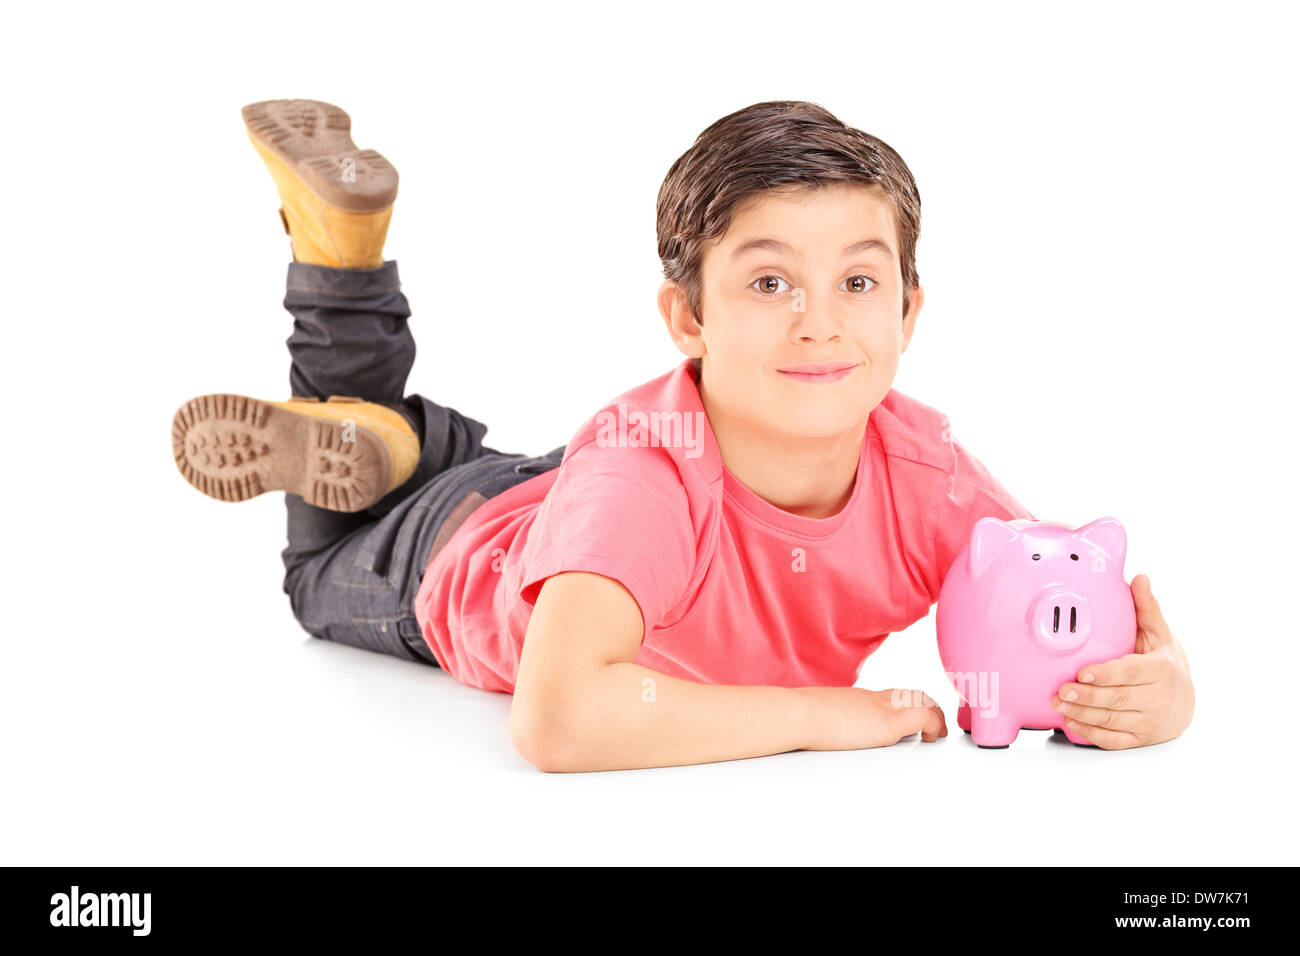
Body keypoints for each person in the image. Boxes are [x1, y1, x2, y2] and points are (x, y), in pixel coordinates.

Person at [172, 99, 1195, 772]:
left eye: (856, 280)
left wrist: (1157, 684)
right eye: (767, 281)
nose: (820, 321)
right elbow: (561, 716)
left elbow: (1055, 596)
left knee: (404, 443)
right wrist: (822, 713)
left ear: (908, 312)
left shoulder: (927, 473)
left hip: (558, 492)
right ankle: (343, 268)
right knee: (325, 548)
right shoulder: (644, 470)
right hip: (441, 560)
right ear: (687, 319)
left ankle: (394, 428)